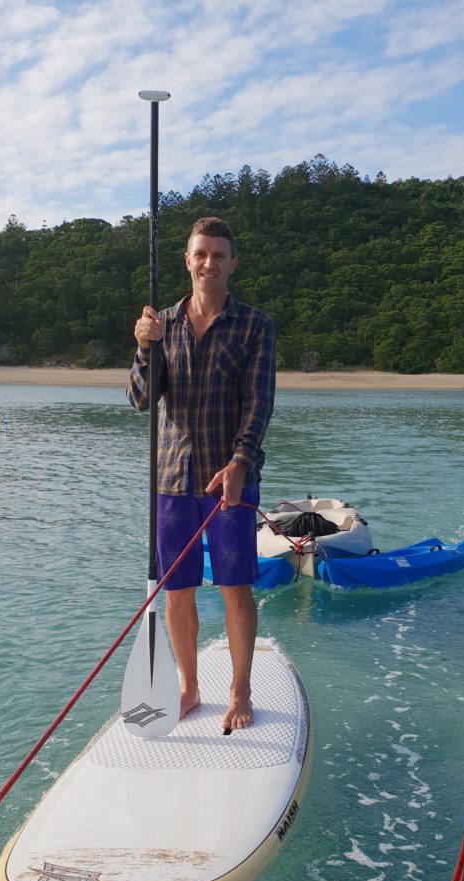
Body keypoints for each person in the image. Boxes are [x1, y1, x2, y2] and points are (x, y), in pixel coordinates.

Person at [128, 216, 276, 732]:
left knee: (234, 587)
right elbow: (140, 400)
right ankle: (188, 687)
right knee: (178, 589)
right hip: (172, 479)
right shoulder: (161, 324)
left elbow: (259, 404)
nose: (209, 263)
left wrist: (240, 463)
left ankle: (240, 691)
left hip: (228, 481)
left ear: (232, 263)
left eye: (219, 255)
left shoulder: (256, 326)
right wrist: (144, 348)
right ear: (186, 260)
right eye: (201, 253)